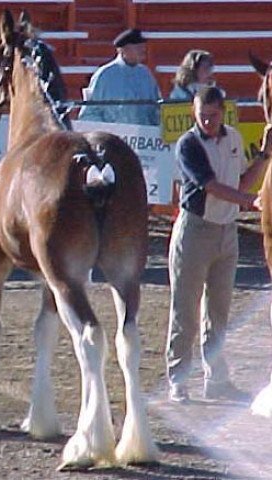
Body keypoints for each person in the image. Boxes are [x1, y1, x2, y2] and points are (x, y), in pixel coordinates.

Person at [166, 86, 272, 404]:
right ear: (194, 113)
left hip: (227, 229)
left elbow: (241, 182)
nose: (208, 122)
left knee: (219, 310)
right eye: (203, 116)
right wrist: (251, 201)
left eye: (213, 116)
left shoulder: (234, 139)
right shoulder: (188, 144)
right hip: (196, 229)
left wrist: (265, 157)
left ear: (222, 112)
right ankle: (178, 379)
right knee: (185, 309)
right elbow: (210, 186)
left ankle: (216, 378)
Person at [78, 28, 161, 125]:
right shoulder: (105, 75)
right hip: (114, 135)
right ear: (123, 50)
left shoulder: (146, 74)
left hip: (142, 135)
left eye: (143, 47)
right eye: (138, 47)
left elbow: (156, 110)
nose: (143, 50)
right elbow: (90, 113)